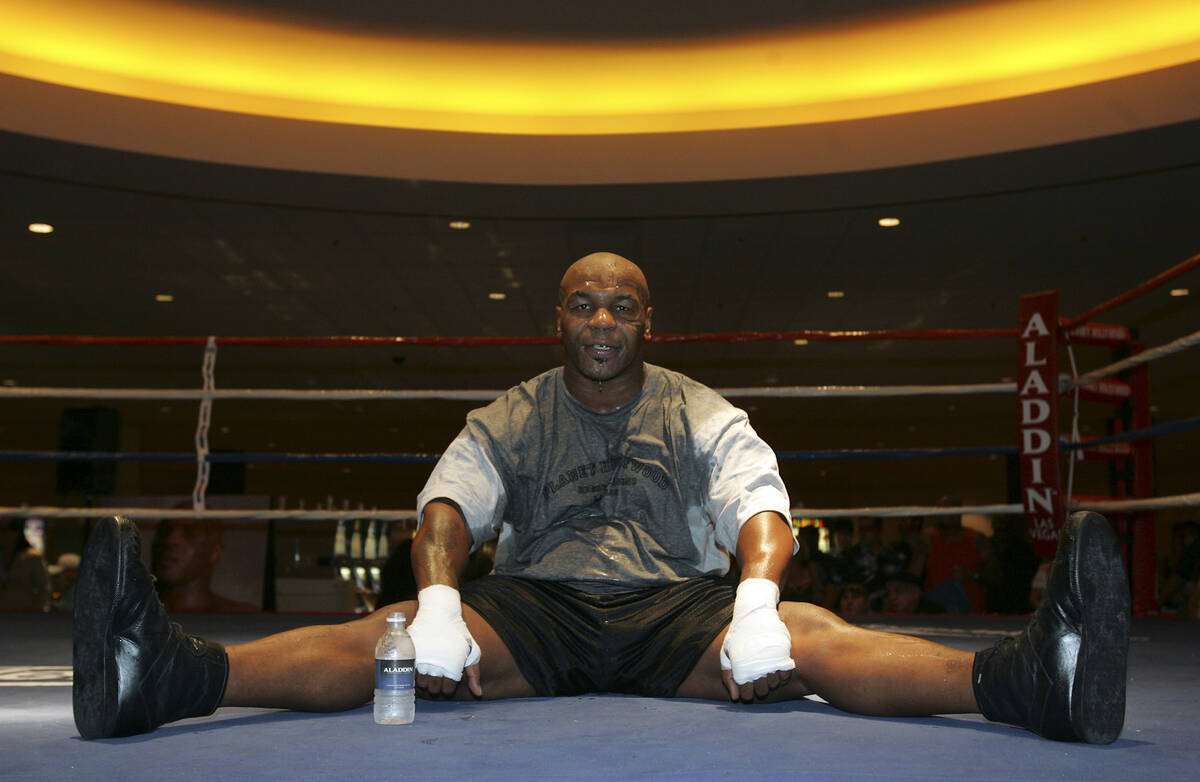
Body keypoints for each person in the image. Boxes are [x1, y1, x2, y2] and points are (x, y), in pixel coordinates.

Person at [71, 252, 1131, 745]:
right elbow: (448, 508)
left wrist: (756, 599)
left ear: (648, 321)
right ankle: (160, 676)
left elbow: (759, 503)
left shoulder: (697, 406)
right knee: (389, 631)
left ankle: (1034, 676)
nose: (604, 316)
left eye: (623, 302)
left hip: (676, 608)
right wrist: (441, 600)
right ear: (559, 316)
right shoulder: (517, 412)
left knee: (808, 632)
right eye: (585, 300)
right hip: (539, 604)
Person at [150, 517, 258, 613]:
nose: (171, 541)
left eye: (190, 533)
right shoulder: (138, 615)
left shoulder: (241, 617)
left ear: (215, 553)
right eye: (166, 531)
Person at [1, 519, 52, 611]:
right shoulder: (3, 555)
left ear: (16, 533)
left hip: (24, 611)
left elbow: (43, 588)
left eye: (5, 531)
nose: (3, 535)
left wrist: (37, 610)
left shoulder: (32, 557)